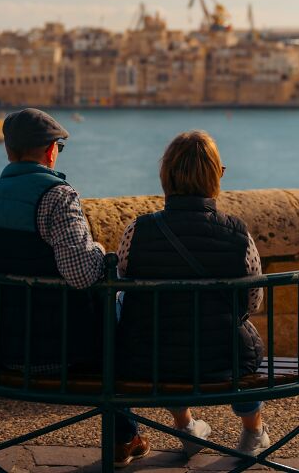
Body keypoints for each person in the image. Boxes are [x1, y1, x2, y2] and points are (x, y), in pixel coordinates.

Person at [0, 107, 150, 467]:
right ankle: (128, 431)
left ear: (9, 150)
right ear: (50, 150)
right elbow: (81, 274)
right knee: (119, 308)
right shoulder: (57, 198)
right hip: (54, 354)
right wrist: (100, 251)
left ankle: (126, 435)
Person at [116, 130, 270, 457]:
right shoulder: (237, 233)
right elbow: (253, 301)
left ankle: (186, 427)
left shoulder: (137, 231)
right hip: (221, 358)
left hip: (151, 358)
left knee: (164, 331)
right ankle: (252, 433)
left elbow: (125, 284)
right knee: (240, 337)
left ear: (166, 175)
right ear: (215, 176)